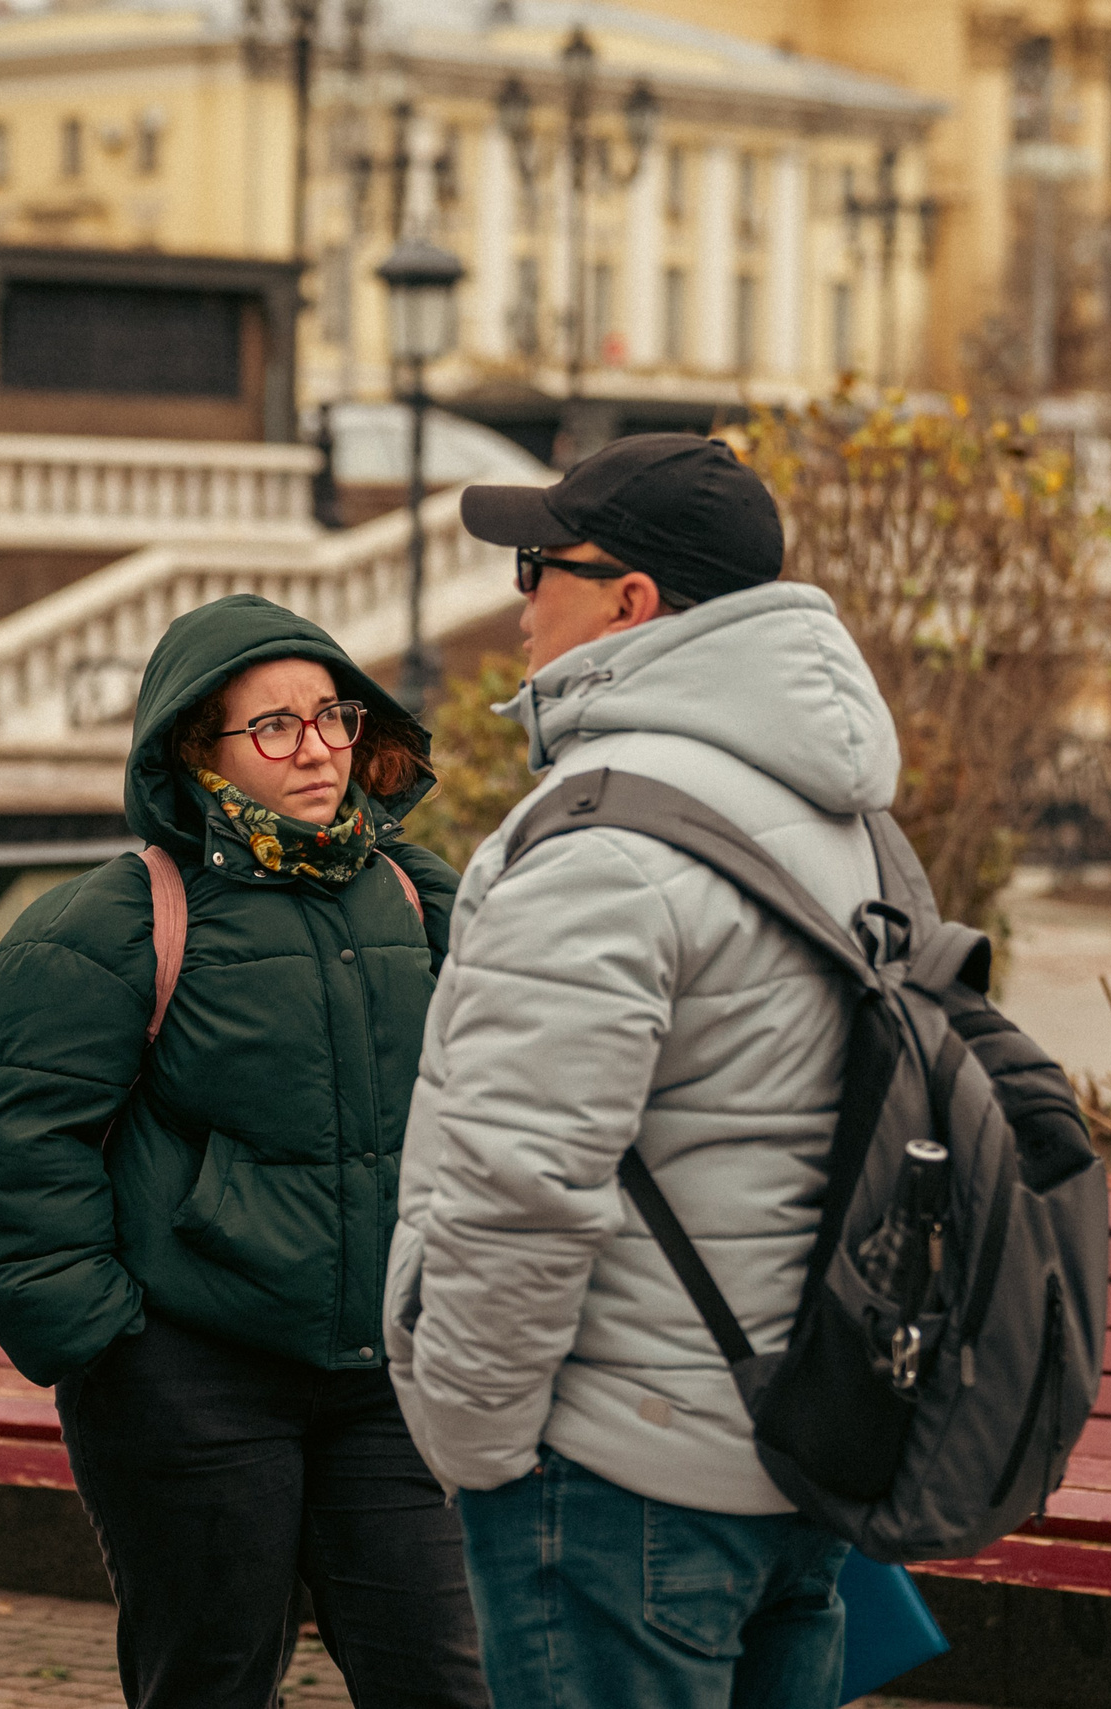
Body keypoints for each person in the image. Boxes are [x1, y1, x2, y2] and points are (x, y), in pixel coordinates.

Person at [383, 434, 904, 1709]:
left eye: (537, 565)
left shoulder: (602, 845)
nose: (516, 603)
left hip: (619, 1478)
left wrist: (474, 1441)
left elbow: (522, 1183)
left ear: (632, 602)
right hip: (794, 1445)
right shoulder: (847, 819)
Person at [0, 595, 486, 1709]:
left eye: (335, 717)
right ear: (198, 748)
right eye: (276, 727)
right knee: (209, 1677)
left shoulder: (421, 898)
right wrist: (111, 1350)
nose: (320, 749)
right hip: (191, 1382)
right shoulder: (105, 925)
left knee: (445, 1676)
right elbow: (24, 1151)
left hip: (385, 1383)